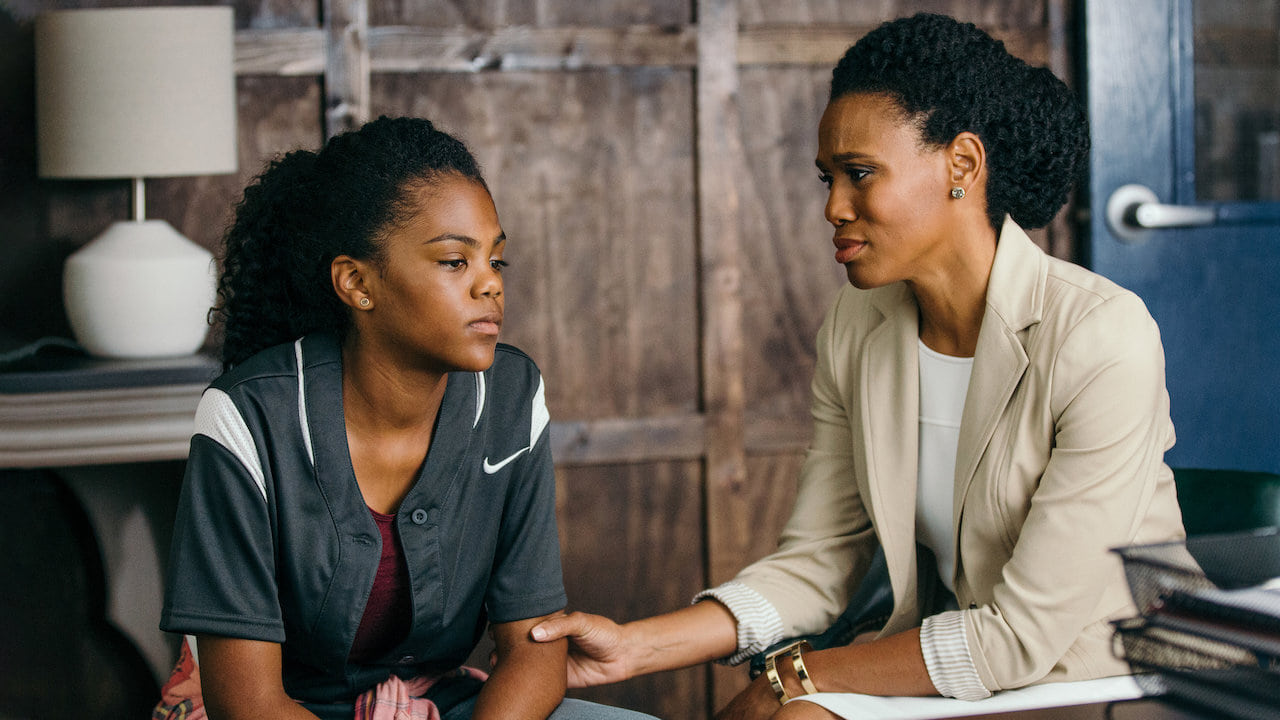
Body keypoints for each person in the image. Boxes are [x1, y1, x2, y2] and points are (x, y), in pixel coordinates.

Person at [527, 13, 1186, 720]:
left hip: (1106, 671)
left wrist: (792, 677)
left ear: (962, 165)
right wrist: (635, 648)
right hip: (960, 660)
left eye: (859, 174)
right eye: (828, 178)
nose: (833, 207)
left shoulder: (1100, 334)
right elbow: (819, 561)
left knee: (797, 712)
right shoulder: (858, 325)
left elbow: (1022, 635)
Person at [154, 116, 655, 720]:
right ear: (357, 282)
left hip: (437, 706)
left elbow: (534, 647)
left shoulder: (512, 396)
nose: (490, 285)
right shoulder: (247, 416)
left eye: (496, 261)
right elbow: (251, 704)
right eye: (454, 261)